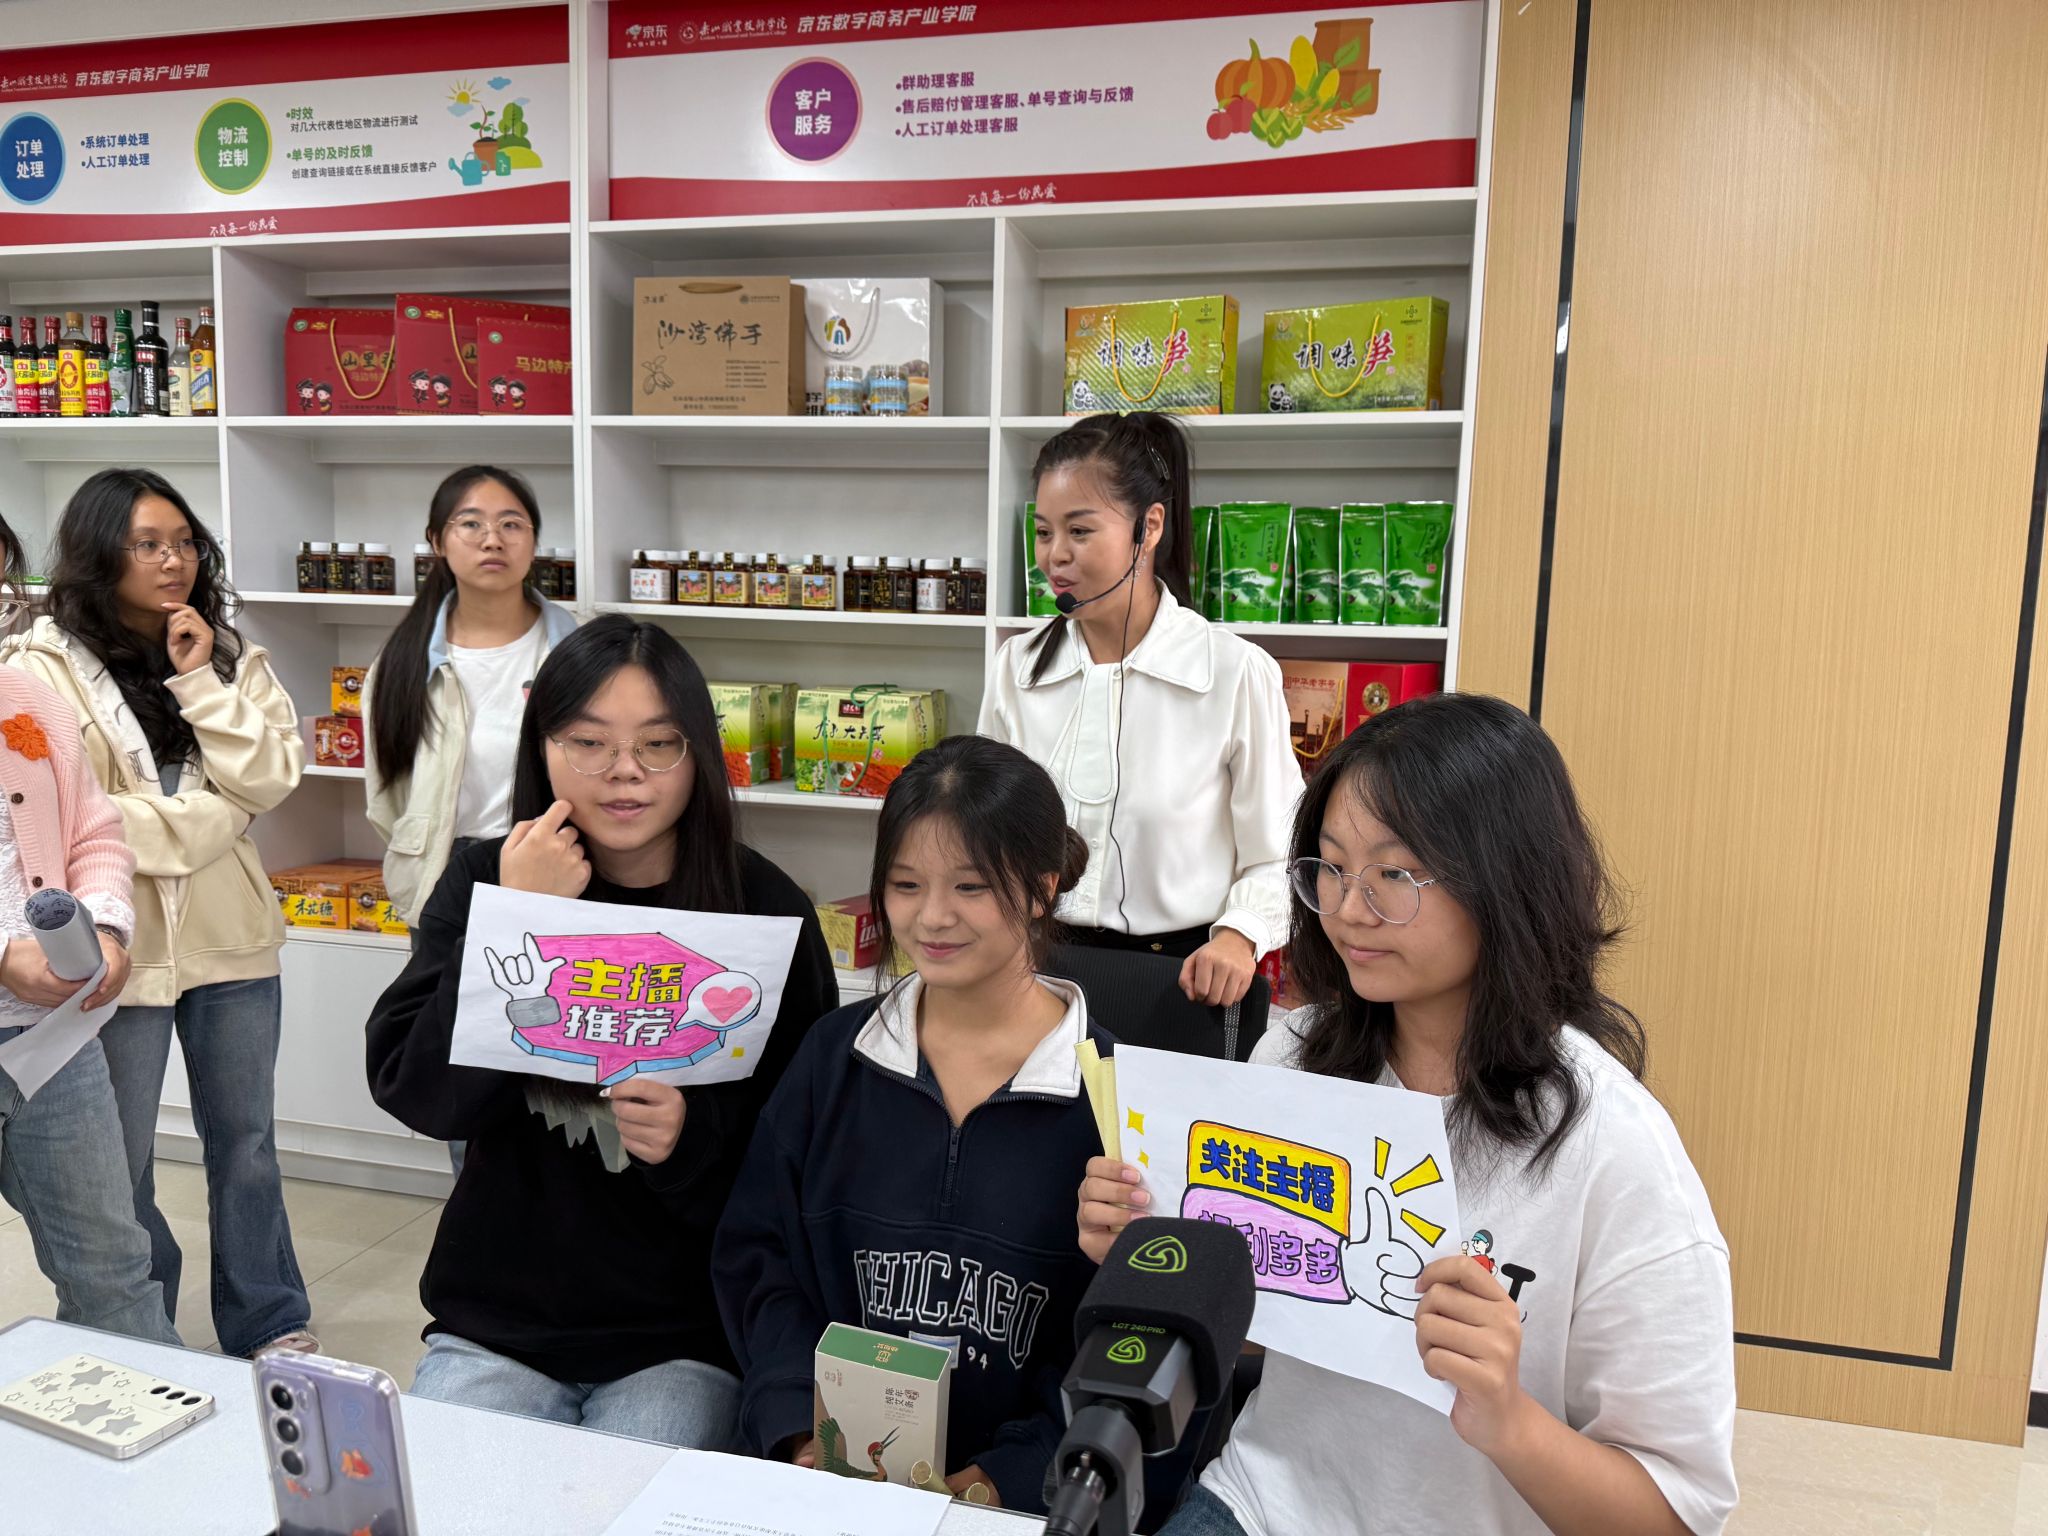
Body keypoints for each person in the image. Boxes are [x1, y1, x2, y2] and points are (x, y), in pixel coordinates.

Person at [1078, 695, 1738, 1536]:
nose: (1350, 909)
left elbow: (1677, 1515)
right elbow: (1262, 1337)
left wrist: (1509, 1421)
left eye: (1394, 875)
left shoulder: (1616, 1151)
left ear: (1506, 880)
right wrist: (1156, 1258)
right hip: (1264, 1503)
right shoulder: (1294, 1059)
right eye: (1331, 868)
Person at [365, 616, 836, 1447]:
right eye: (588, 742)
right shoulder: (486, 878)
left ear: (698, 753)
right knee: (445, 1493)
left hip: (682, 1332)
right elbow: (420, 1092)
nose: (625, 772)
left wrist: (689, 1137)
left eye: (659, 744)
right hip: (499, 1321)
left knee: (631, 1498)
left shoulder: (764, 909)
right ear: (541, 747)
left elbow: (802, 1151)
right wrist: (522, 915)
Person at [713, 735, 1103, 1513]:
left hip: (1017, 1505)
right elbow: (760, 1260)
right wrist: (799, 1430)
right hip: (829, 1479)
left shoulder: (1113, 1098)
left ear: (1041, 888)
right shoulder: (832, 1060)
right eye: (905, 884)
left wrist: (1006, 1480)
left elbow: (1119, 1342)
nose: (932, 918)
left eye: (970, 886)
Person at [2, 468, 316, 1358]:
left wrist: (200, 681)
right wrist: (209, 821)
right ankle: (144, 1323)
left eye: (183, 543)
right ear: (99, 553)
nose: (173, 561)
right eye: (147, 545)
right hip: (114, 947)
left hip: (231, 937)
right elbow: (62, 815)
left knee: (246, 1144)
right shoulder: (39, 667)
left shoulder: (229, 654)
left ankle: (268, 1317)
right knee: (120, 1159)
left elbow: (270, 779)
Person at [979, 412, 1296, 1007]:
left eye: (1079, 531)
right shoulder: (1017, 667)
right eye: (1043, 532)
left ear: (1148, 528)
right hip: (1034, 970)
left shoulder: (1233, 672)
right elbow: (986, 830)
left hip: (1181, 981)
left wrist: (1240, 935)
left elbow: (1280, 853)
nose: (1055, 556)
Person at [0, 513, 179, 1346]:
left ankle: (150, 1413)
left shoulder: (27, 699)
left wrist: (106, 929)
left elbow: (95, 835)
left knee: (112, 1265)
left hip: (52, 1039)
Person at [364, 464, 577, 932]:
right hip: (441, 872)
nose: (492, 540)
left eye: (511, 524)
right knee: (443, 984)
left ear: (534, 541)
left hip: (553, 863)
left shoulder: (577, 652)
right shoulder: (401, 662)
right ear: (437, 541)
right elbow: (387, 797)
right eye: (471, 523)